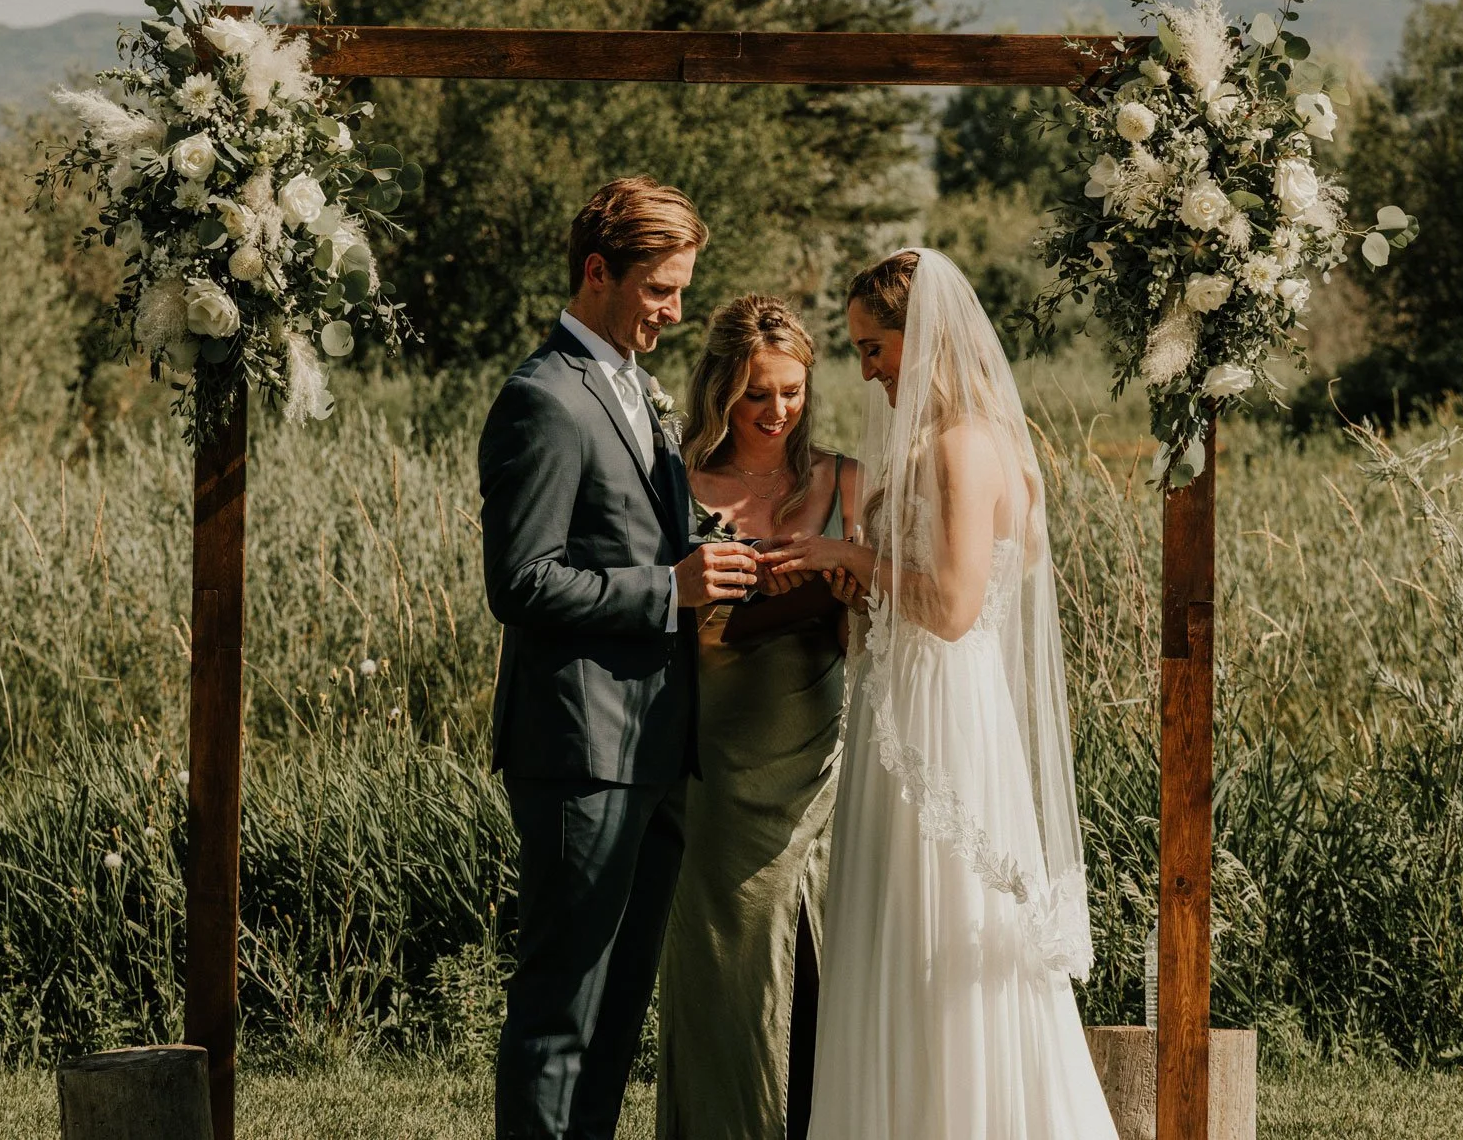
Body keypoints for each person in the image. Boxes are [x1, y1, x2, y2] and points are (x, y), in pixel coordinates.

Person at [762, 249, 1118, 1139]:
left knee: (937, 933)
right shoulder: (942, 439)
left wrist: (848, 557)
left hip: (945, 723)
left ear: (921, 341)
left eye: (874, 347)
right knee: (893, 933)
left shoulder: (962, 447)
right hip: (907, 707)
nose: (868, 369)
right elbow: (913, 587)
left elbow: (957, 608)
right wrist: (862, 586)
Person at [479, 177, 761, 1140]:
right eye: (659, 289)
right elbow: (521, 582)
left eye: (682, 289)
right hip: (580, 750)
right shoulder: (544, 400)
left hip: (654, 748)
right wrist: (668, 589)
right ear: (597, 273)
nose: (676, 312)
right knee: (562, 1011)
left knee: (614, 1018)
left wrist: (713, 548)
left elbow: (637, 533)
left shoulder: (636, 392)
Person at [657, 297, 856, 1140]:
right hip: (712, 755)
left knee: (823, 963)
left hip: (816, 757)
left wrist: (842, 585)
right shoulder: (676, 481)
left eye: (792, 394)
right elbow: (649, 608)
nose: (777, 414)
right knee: (723, 969)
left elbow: (896, 605)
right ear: (720, 393)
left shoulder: (843, 479)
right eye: (756, 396)